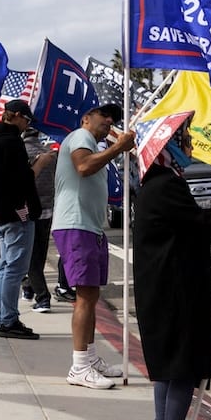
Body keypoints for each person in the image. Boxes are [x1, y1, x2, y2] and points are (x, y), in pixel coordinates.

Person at [133, 123, 211, 420]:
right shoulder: (166, 187)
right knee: (183, 366)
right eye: (180, 140)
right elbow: (203, 227)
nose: (187, 144)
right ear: (165, 150)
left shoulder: (157, 186)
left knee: (170, 367)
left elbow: (184, 242)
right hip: (175, 294)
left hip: (166, 289)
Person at [53, 103, 137, 389]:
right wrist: (118, 148)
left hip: (88, 226)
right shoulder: (81, 136)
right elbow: (83, 166)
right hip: (76, 225)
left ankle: (88, 358)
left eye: (113, 117)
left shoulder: (92, 143)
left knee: (90, 295)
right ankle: (79, 367)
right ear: (86, 118)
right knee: (85, 297)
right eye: (104, 115)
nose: (110, 120)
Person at [0, 99, 41, 338]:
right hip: (15, 215)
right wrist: (39, 165)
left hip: (0, 214)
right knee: (15, 270)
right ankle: (8, 320)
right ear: (15, 115)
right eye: (26, 119)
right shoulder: (11, 142)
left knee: (6, 269)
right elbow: (21, 181)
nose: (27, 124)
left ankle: (4, 317)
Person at [22, 126, 59, 313]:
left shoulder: (23, 152)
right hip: (48, 208)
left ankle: (43, 297)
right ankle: (28, 287)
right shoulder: (49, 154)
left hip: (29, 209)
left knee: (30, 257)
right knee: (40, 252)